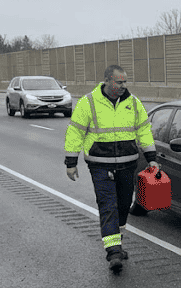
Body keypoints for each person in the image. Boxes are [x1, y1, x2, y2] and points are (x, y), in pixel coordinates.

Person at [64, 64, 159, 272]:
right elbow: (75, 133)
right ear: (107, 81)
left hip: (128, 163)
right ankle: (113, 252)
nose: (123, 86)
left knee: (124, 205)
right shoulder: (88, 103)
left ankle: (118, 242)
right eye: (119, 82)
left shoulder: (133, 103)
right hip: (100, 164)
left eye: (125, 82)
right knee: (108, 205)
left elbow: (144, 130)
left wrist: (151, 158)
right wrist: (71, 163)